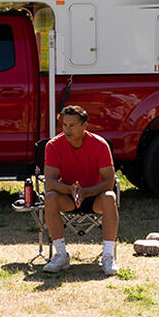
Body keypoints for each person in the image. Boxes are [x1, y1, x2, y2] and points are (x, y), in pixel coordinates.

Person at [41, 105, 120, 276]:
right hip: (68, 195)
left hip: (95, 195)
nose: (67, 129)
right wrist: (70, 190)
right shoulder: (53, 145)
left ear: (84, 126)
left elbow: (109, 181)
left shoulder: (100, 144)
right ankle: (61, 255)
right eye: (64, 125)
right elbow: (51, 181)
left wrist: (86, 192)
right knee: (50, 197)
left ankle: (108, 257)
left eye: (72, 125)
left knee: (109, 197)